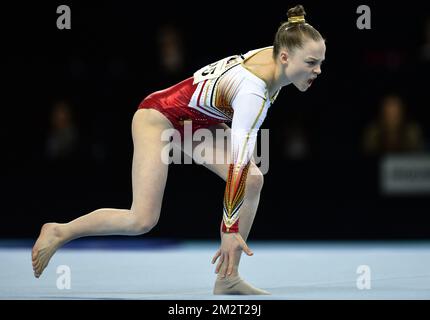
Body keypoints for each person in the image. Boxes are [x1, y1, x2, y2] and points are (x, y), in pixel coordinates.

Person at [32, 5, 326, 295]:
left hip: (197, 120)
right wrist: (229, 230)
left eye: (321, 62)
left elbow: (292, 37)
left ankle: (228, 277)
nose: (318, 71)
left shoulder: (279, 51)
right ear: (285, 57)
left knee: (253, 180)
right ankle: (60, 230)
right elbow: (238, 162)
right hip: (159, 117)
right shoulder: (254, 93)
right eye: (312, 63)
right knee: (142, 220)